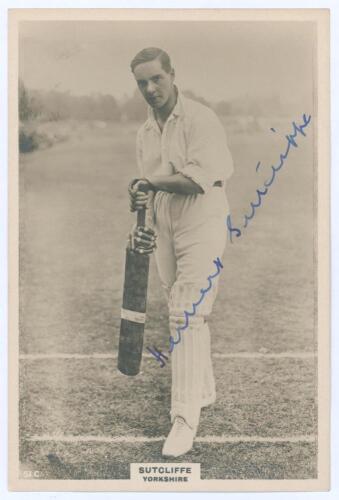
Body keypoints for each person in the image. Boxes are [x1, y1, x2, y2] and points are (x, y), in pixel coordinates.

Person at [127, 47, 233, 457]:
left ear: (173, 75)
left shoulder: (201, 119)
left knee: (185, 311)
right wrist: (144, 218)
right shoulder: (144, 132)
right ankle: (203, 389)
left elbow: (196, 180)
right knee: (182, 304)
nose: (150, 89)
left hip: (202, 216)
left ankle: (184, 419)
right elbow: (149, 186)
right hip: (166, 221)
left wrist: (149, 182)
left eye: (156, 78)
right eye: (142, 83)